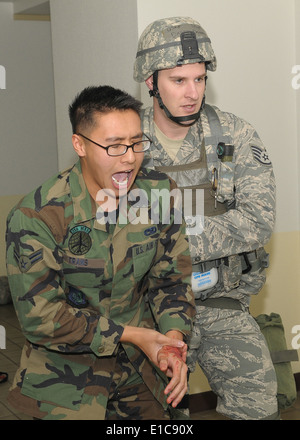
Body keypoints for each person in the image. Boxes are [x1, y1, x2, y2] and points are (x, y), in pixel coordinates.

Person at [5, 85, 195, 420]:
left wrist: (171, 344)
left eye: (137, 143)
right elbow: (42, 318)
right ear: (79, 144)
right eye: (114, 146)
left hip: (144, 373)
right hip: (64, 380)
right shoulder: (37, 216)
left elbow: (172, 282)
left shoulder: (159, 195)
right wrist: (134, 336)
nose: (129, 157)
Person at [133, 16, 279, 420]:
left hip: (221, 302)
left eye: (199, 78)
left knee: (261, 408)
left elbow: (257, 221)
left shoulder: (236, 135)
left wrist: (172, 236)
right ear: (150, 82)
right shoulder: (125, 142)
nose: (192, 92)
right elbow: (108, 225)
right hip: (149, 311)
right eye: (179, 80)